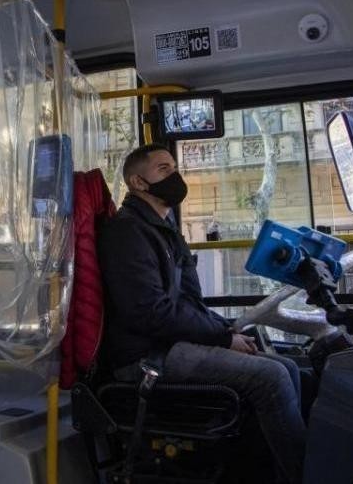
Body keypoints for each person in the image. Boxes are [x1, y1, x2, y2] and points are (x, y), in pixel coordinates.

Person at [98, 144, 306, 484]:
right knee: (271, 378)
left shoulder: (162, 230)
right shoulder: (127, 233)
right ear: (137, 181)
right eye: (164, 170)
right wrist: (223, 337)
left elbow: (188, 304)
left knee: (288, 367)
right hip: (146, 357)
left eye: (175, 167)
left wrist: (224, 330)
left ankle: (276, 473)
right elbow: (151, 313)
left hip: (167, 343)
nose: (175, 176)